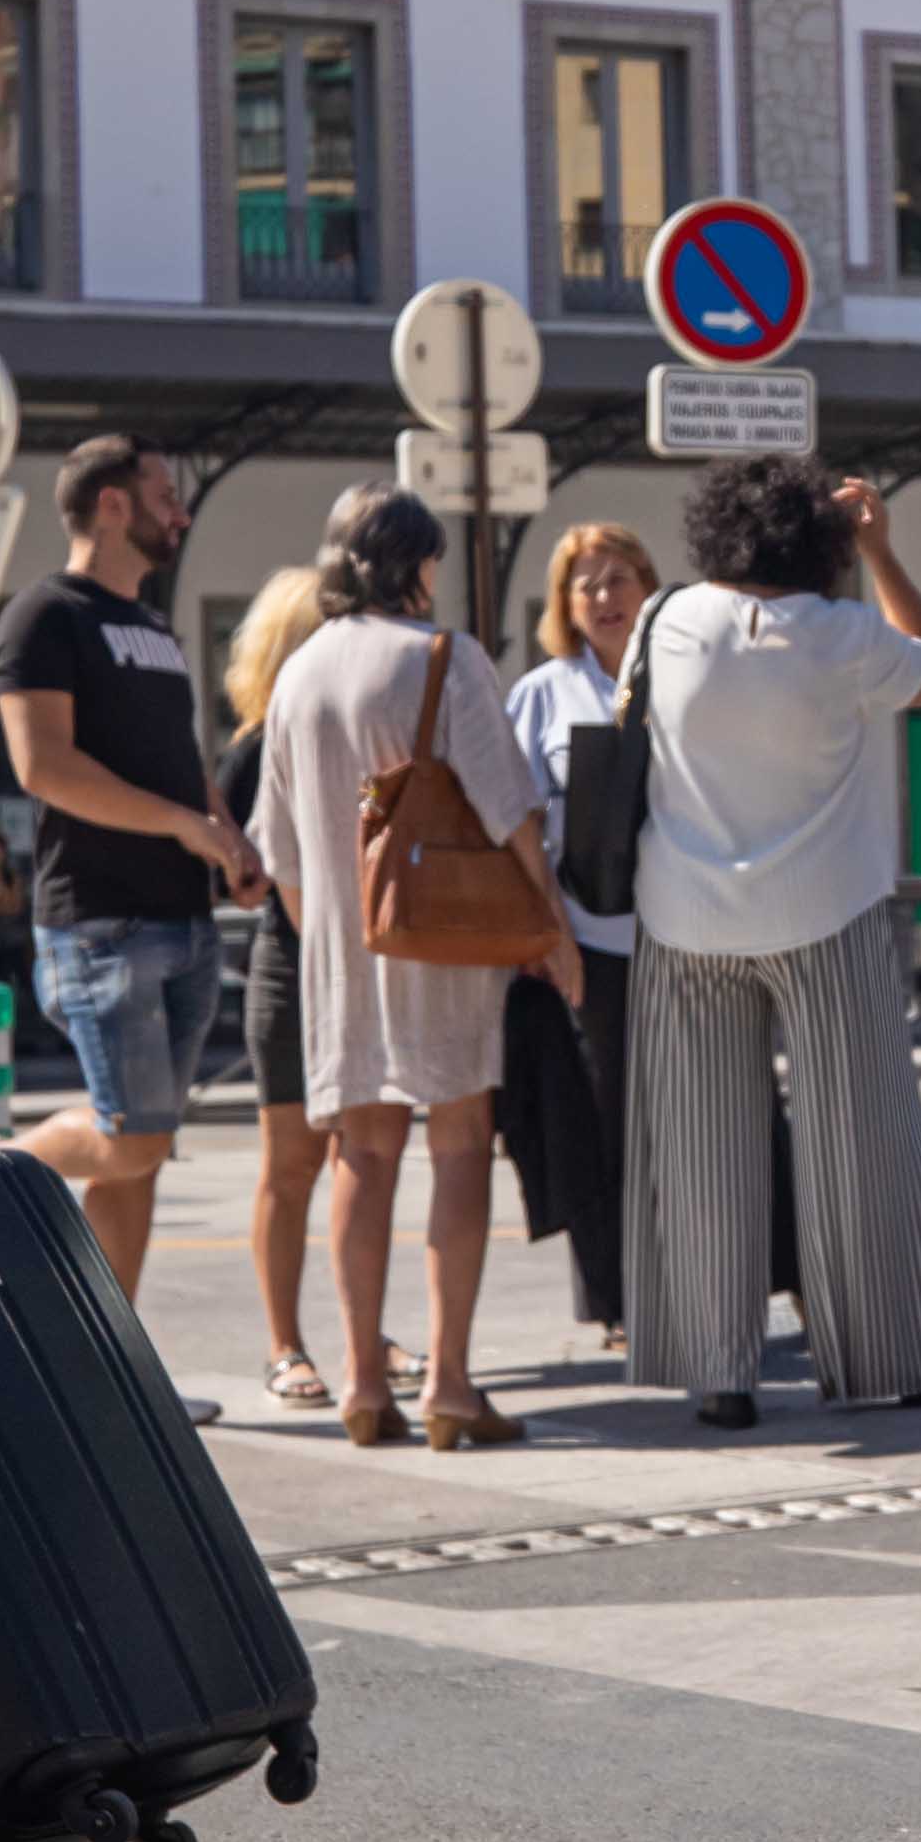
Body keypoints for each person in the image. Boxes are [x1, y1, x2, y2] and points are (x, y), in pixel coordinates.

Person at [243, 491, 577, 1449]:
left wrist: (334, 942)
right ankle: (453, 1385)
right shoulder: (442, 656)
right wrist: (546, 926)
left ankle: (359, 1379)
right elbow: (509, 806)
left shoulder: (299, 672)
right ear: (415, 564)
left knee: (362, 1154)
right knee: (461, 1143)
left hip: (342, 951)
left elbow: (281, 848)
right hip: (445, 941)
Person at [624, 457, 921, 1429]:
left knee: (699, 1145)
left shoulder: (667, 619)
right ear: (818, 541)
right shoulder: (846, 635)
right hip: (829, 908)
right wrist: (880, 549)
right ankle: (889, 1355)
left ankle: (718, 1370)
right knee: (862, 1141)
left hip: (682, 915)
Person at [0, 438, 260, 1291]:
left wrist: (227, 837)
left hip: (185, 921)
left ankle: (119, 1372)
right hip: (101, 925)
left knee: (137, 1159)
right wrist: (186, 825)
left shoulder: (151, 628)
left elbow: (180, 761)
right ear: (113, 505)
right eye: (163, 495)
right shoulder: (43, 615)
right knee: (133, 1134)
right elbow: (44, 767)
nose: (178, 512)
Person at [503, 521, 652, 1337]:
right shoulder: (539, 694)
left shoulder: (679, 676)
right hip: (585, 945)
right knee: (596, 1131)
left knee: (682, 1128)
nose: (605, 595)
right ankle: (616, 1304)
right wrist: (549, 935)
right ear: (564, 602)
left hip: (683, 939)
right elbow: (516, 829)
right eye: (585, 583)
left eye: (620, 577)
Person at [212, 565, 335, 1406]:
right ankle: (285, 1342)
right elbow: (236, 875)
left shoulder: (350, 722)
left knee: (361, 1164)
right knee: (291, 1167)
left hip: (355, 970)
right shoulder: (256, 743)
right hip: (292, 969)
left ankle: (360, 1331)